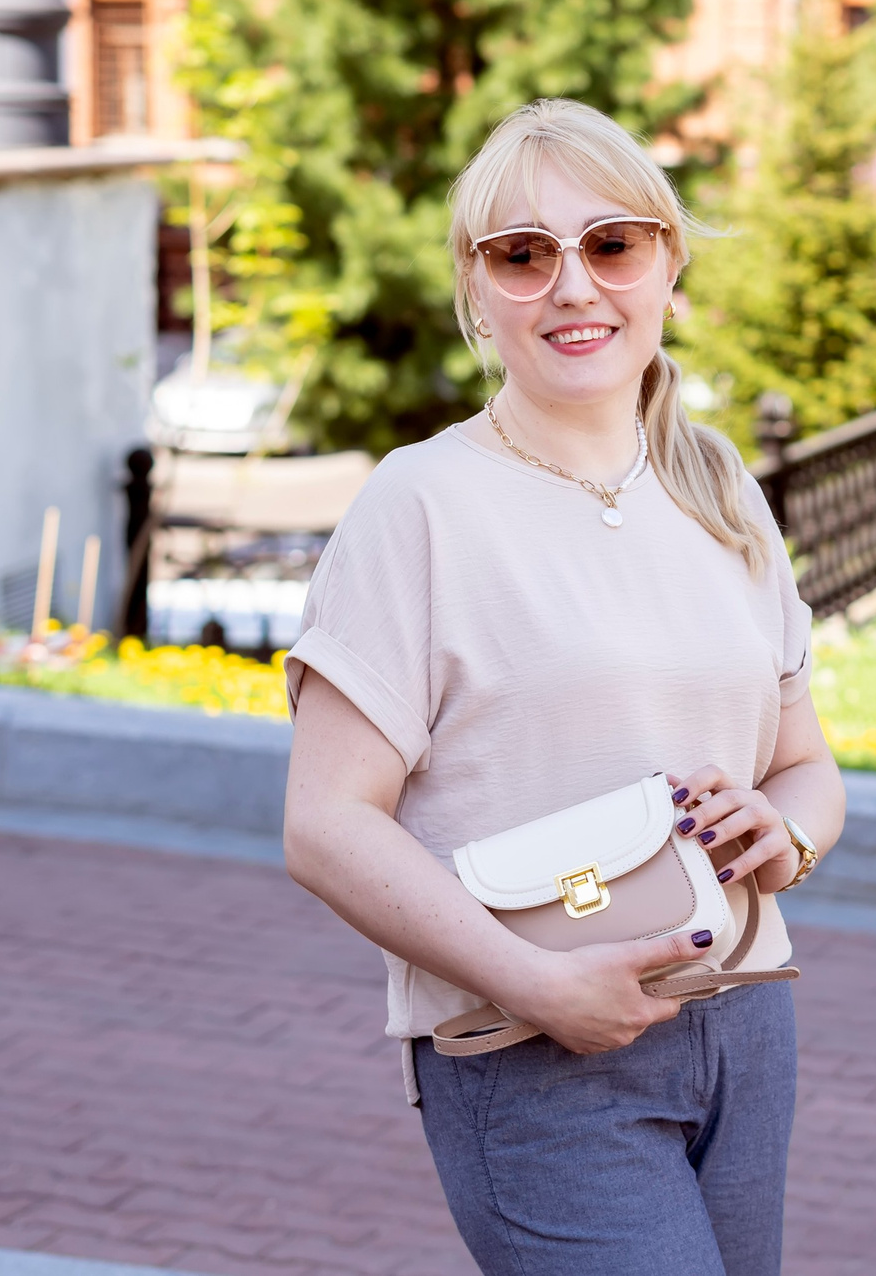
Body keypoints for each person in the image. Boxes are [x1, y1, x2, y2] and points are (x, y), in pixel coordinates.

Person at [280, 99, 846, 1276]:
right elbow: (326, 825)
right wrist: (538, 983)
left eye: (613, 243)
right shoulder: (420, 504)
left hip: (744, 1022)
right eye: (524, 254)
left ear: (666, 262)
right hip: (532, 1046)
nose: (573, 285)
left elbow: (804, 760)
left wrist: (782, 829)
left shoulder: (717, 484)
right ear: (477, 292)